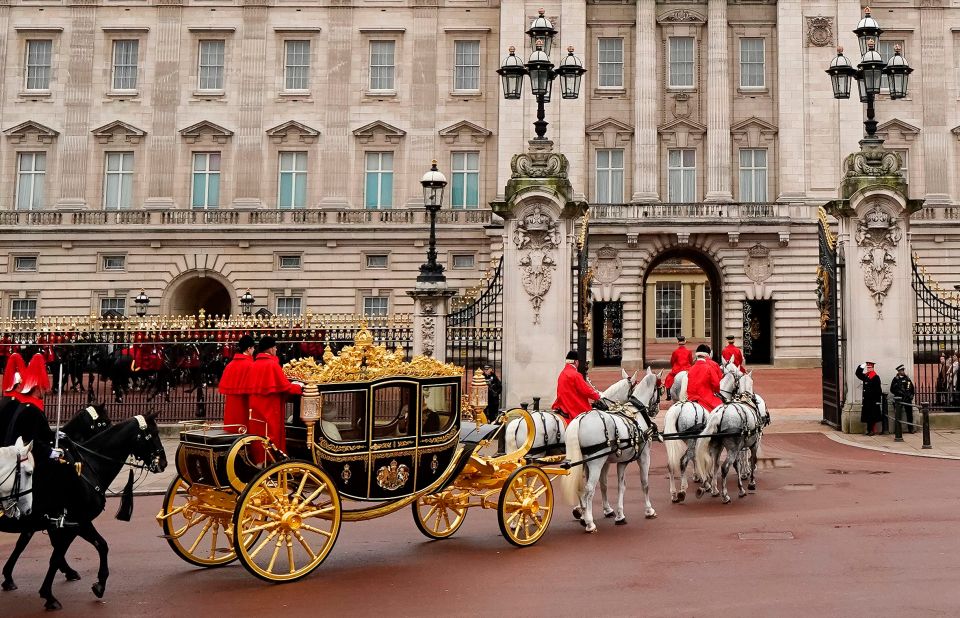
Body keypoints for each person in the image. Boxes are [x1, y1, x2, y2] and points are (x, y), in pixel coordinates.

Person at [248, 336, 303, 454]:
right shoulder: (271, 364)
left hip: (256, 408)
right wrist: (299, 387)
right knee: (272, 436)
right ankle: (273, 460)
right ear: (270, 349)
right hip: (270, 408)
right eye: (274, 347)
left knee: (259, 434)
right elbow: (285, 387)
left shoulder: (254, 364)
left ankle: (260, 459)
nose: (276, 350)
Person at [551, 350, 601, 423]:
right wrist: (597, 396)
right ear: (576, 362)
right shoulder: (575, 375)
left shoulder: (562, 373)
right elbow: (586, 390)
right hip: (573, 407)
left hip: (563, 405)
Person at [219, 335, 255, 433]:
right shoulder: (251, 365)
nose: (254, 350)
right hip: (245, 406)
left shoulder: (230, 365)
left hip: (231, 408)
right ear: (249, 349)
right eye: (253, 348)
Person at [686, 344, 723, 411]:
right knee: (721, 408)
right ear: (706, 355)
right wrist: (716, 391)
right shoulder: (709, 368)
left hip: (691, 398)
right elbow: (716, 384)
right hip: (705, 398)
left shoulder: (690, 369)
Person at [855, 361, 883, 436]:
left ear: (873, 368)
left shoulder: (875, 377)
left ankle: (872, 430)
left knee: (872, 416)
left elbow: (878, 390)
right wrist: (861, 366)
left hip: (873, 400)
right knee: (868, 416)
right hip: (867, 400)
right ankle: (869, 429)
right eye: (867, 367)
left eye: (869, 367)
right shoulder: (866, 376)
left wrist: (877, 401)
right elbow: (858, 374)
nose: (868, 369)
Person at [664, 336, 693, 400]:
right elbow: (691, 361)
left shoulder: (675, 352)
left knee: (668, 379)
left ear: (678, 342)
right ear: (685, 342)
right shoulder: (689, 351)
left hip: (677, 370)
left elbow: (672, 362)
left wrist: (674, 367)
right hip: (687, 369)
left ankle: (668, 395)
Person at [889, 363, 916, 434]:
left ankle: (911, 428)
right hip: (899, 399)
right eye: (901, 370)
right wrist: (898, 392)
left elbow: (912, 388)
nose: (903, 371)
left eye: (903, 370)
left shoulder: (907, 379)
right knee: (898, 414)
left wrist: (911, 395)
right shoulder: (895, 379)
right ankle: (898, 429)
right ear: (898, 371)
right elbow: (892, 389)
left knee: (909, 414)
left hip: (907, 399)